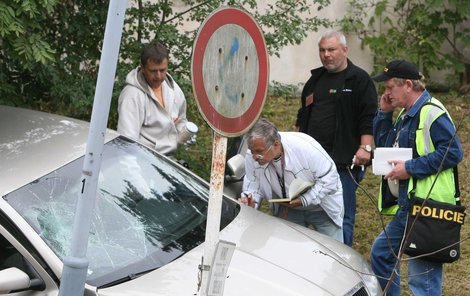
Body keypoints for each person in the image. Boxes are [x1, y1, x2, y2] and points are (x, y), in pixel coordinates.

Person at [370, 59, 463, 295]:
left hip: (429, 210)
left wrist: (410, 168)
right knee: (382, 253)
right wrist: (383, 114)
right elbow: (384, 149)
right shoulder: (406, 114)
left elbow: (453, 152)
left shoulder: (432, 112)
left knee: (423, 281)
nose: (387, 92)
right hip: (409, 207)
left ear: (408, 84)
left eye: (391, 87)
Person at [295, 30, 378, 246]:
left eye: (331, 49)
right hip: (310, 163)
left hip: (343, 163)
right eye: (322, 50)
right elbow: (302, 115)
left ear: (344, 50)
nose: (326, 55)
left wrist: (365, 148)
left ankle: (344, 264)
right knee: (304, 214)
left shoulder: (359, 80)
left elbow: (368, 117)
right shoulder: (315, 80)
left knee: (341, 216)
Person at [240, 118, 344, 242]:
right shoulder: (251, 156)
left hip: (321, 208)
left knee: (333, 249)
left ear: (276, 144)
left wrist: (305, 199)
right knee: (290, 251)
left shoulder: (305, 148)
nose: (254, 157)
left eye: (259, 152)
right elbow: (253, 185)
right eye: (252, 151)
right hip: (289, 210)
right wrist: (251, 200)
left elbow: (329, 177)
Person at [117, 42, 189, 156]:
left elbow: (181, 121)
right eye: (153, 71)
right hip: (143, 162)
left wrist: (183, 135)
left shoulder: (174, 89)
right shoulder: (131, 96)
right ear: (143, 67)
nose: (159, 76)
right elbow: (127, 145)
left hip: (169, 162)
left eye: (162, 70)